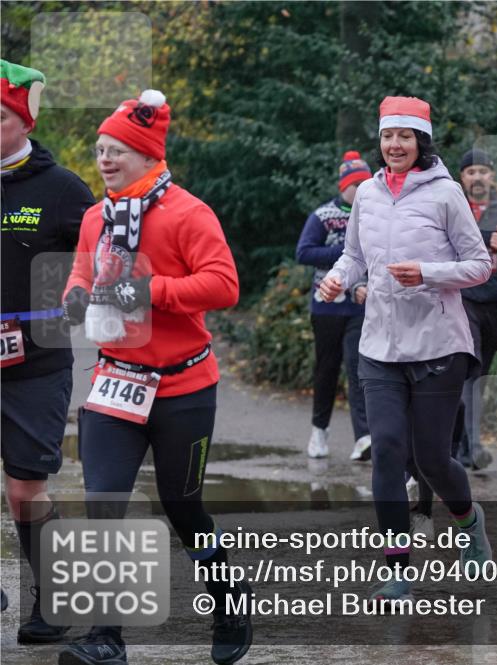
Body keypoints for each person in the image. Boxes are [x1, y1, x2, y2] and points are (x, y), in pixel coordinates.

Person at [59, 90, 252, 664]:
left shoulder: (189, 213)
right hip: (116, 382)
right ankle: (106, 638)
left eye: (117, 149)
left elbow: (224, 285)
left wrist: (149, 290)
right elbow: (80, 270)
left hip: (183, 387)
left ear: (148, 156)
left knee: (184, 508)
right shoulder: (97, 217)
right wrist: (74, 295)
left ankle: (228, 599)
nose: (104, 159)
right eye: (99, 150)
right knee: (103, 503)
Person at [318, 96, 493, 602]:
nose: (394, 145)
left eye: (405, 137)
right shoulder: (367, 196)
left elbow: (479, 265)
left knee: (433, 460)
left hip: (438, 343)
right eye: (388, 136)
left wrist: (429, 274)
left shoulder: (445, 194)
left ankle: (469, 520)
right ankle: (398, 567)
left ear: (421, 142)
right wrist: (335, 279)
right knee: (388, 452)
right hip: (379, 345)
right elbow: (353, 257)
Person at [0, 59, 94, 644]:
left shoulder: (61, 189)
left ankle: (53, 599)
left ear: (23, 120)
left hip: (35, 364)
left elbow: (107, 265)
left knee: (24, 488)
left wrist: (77, 302)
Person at [296, 150, 372, 460]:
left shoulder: (375, 214)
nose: (362, 190)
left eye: (366, 183)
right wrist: (343, 252)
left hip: (359, 305)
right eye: (357, 184)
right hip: (326, 306)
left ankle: (363, 438)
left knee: (357, 368)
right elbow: (303, 252)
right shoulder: (323, 216)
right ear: (345, 186)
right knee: (326, 369)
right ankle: (319, 432)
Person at [455, 147, 497, 470]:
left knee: (480, 375)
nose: (477, 176)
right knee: (471, 370)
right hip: (462, 299)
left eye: (483, 170)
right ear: (462, 177)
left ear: (492, 175)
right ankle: (476, 448)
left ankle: (462, 449)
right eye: (470, 171)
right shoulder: (453, 207)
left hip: (495, 302)